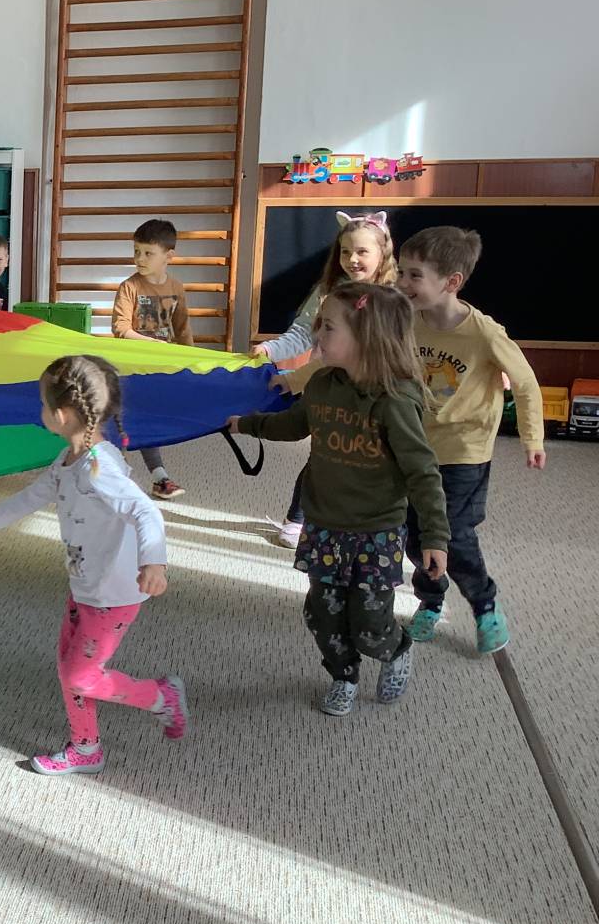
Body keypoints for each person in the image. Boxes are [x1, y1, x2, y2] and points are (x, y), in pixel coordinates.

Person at [0, 355, 185, 774]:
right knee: (70, 669)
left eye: (43, 404)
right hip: (85, 587)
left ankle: (160, 696)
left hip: (113, 595)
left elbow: (145, 511)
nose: (40, 411)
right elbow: (33, 496)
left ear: (61, 415)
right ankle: (86, 748)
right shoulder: (68, 460)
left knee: (81, 676)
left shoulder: (98, 469)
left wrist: (154, 562)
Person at [230, 283, 448, 716]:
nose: (317, 334)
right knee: (322, 615)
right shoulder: (323, 383)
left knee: (369, 624)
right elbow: (293, 424)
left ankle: (396, 648)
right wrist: (246, 424)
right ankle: (343, 675)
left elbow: (423, 472)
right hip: (324, 526)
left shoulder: (395, 401)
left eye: (328, 327)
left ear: (366, 338)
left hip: (376, 532)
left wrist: (435, 536)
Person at [395, 226, 545, 654]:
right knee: (415, 535)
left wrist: (532, 438)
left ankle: (484, 605)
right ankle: (431, 600)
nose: (403, 282)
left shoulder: (484, 333)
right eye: (401, 272)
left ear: (452, 281)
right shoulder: (406, 321)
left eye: (414, 275)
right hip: (414, 447)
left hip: (465, 451)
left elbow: (525, 383)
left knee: (454, 536)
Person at [250, 210, 398, 547]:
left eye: (362, 251)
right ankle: (297, 518)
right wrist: (271, 349)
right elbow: (304, 333)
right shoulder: (328, 290)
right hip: (329, 389)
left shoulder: (395, 296)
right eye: (346, 251)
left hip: (375, 396)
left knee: (371, 458)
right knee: (323, 456)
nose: (352, 259)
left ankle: (358, 521)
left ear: (383, 252)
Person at [110, 218, 192, 501]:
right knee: (122, 420)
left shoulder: (177, 288)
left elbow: (183, 331)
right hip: (130, 368)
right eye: (136, 251)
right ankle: (145, 476)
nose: (140, 259)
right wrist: (153, 345)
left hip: (160, 370)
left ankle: (157, 478)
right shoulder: (129, 287)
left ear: (169, 256)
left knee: (148, 420)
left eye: (148, 253)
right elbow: (121, 329)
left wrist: (192, 365)